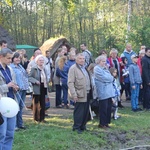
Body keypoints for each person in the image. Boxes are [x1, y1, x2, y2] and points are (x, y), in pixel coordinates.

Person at [0, 48, 19, 150]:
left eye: (11, 58)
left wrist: (16, 88)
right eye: (8, 58)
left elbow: (14, 83)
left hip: (12, 104)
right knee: (1, 134)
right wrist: (7, 86)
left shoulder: (10, 69)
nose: (10, 60)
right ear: (1, 57)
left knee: (10, 133)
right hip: (2, 106)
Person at [68, 53, 91, 134]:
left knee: (85, 110)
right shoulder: (73, 68)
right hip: (79, 93)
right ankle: (76, 127)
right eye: (80, 59)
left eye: (83, 59)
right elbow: (70, 83)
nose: (82, 60)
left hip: (87, 92)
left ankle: (83, 126)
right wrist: (74, 94)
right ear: (76, 60)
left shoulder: (84, 68)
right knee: (79, 111)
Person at [94, 55, 115, 129]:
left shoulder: (105, 68)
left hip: (109, 91)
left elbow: (111, 77)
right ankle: (102, 123)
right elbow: (103, 78)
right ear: (99, 61)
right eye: (103, 61)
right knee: (103, 108)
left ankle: (106, 122)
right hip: (103, 91)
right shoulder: (97, 68)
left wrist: (110, 78)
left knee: (109, 108)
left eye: (105, 61)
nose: (104, 63)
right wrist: (110, 78)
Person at [10, 52, 29, 130]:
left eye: (19, 58)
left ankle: (20, 123)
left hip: (23, 88)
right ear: (12, 58)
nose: (18, 59)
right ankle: (14, 125)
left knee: (21, 107)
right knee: (16, 107)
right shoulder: (11, 67)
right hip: (17, 89)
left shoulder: (20, 66)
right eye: (16, 57)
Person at [28, 55, 48, 123]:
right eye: (40, 60)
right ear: (37, 61)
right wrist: (35, 81)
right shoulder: (34, 68)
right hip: (36, 87)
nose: (41, 62)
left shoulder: (44, 68)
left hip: (43, 87)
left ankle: (42, 118)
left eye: (42, 60)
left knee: (43, 103)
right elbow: (30, 77)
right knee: (36, 103)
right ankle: (36, 118)